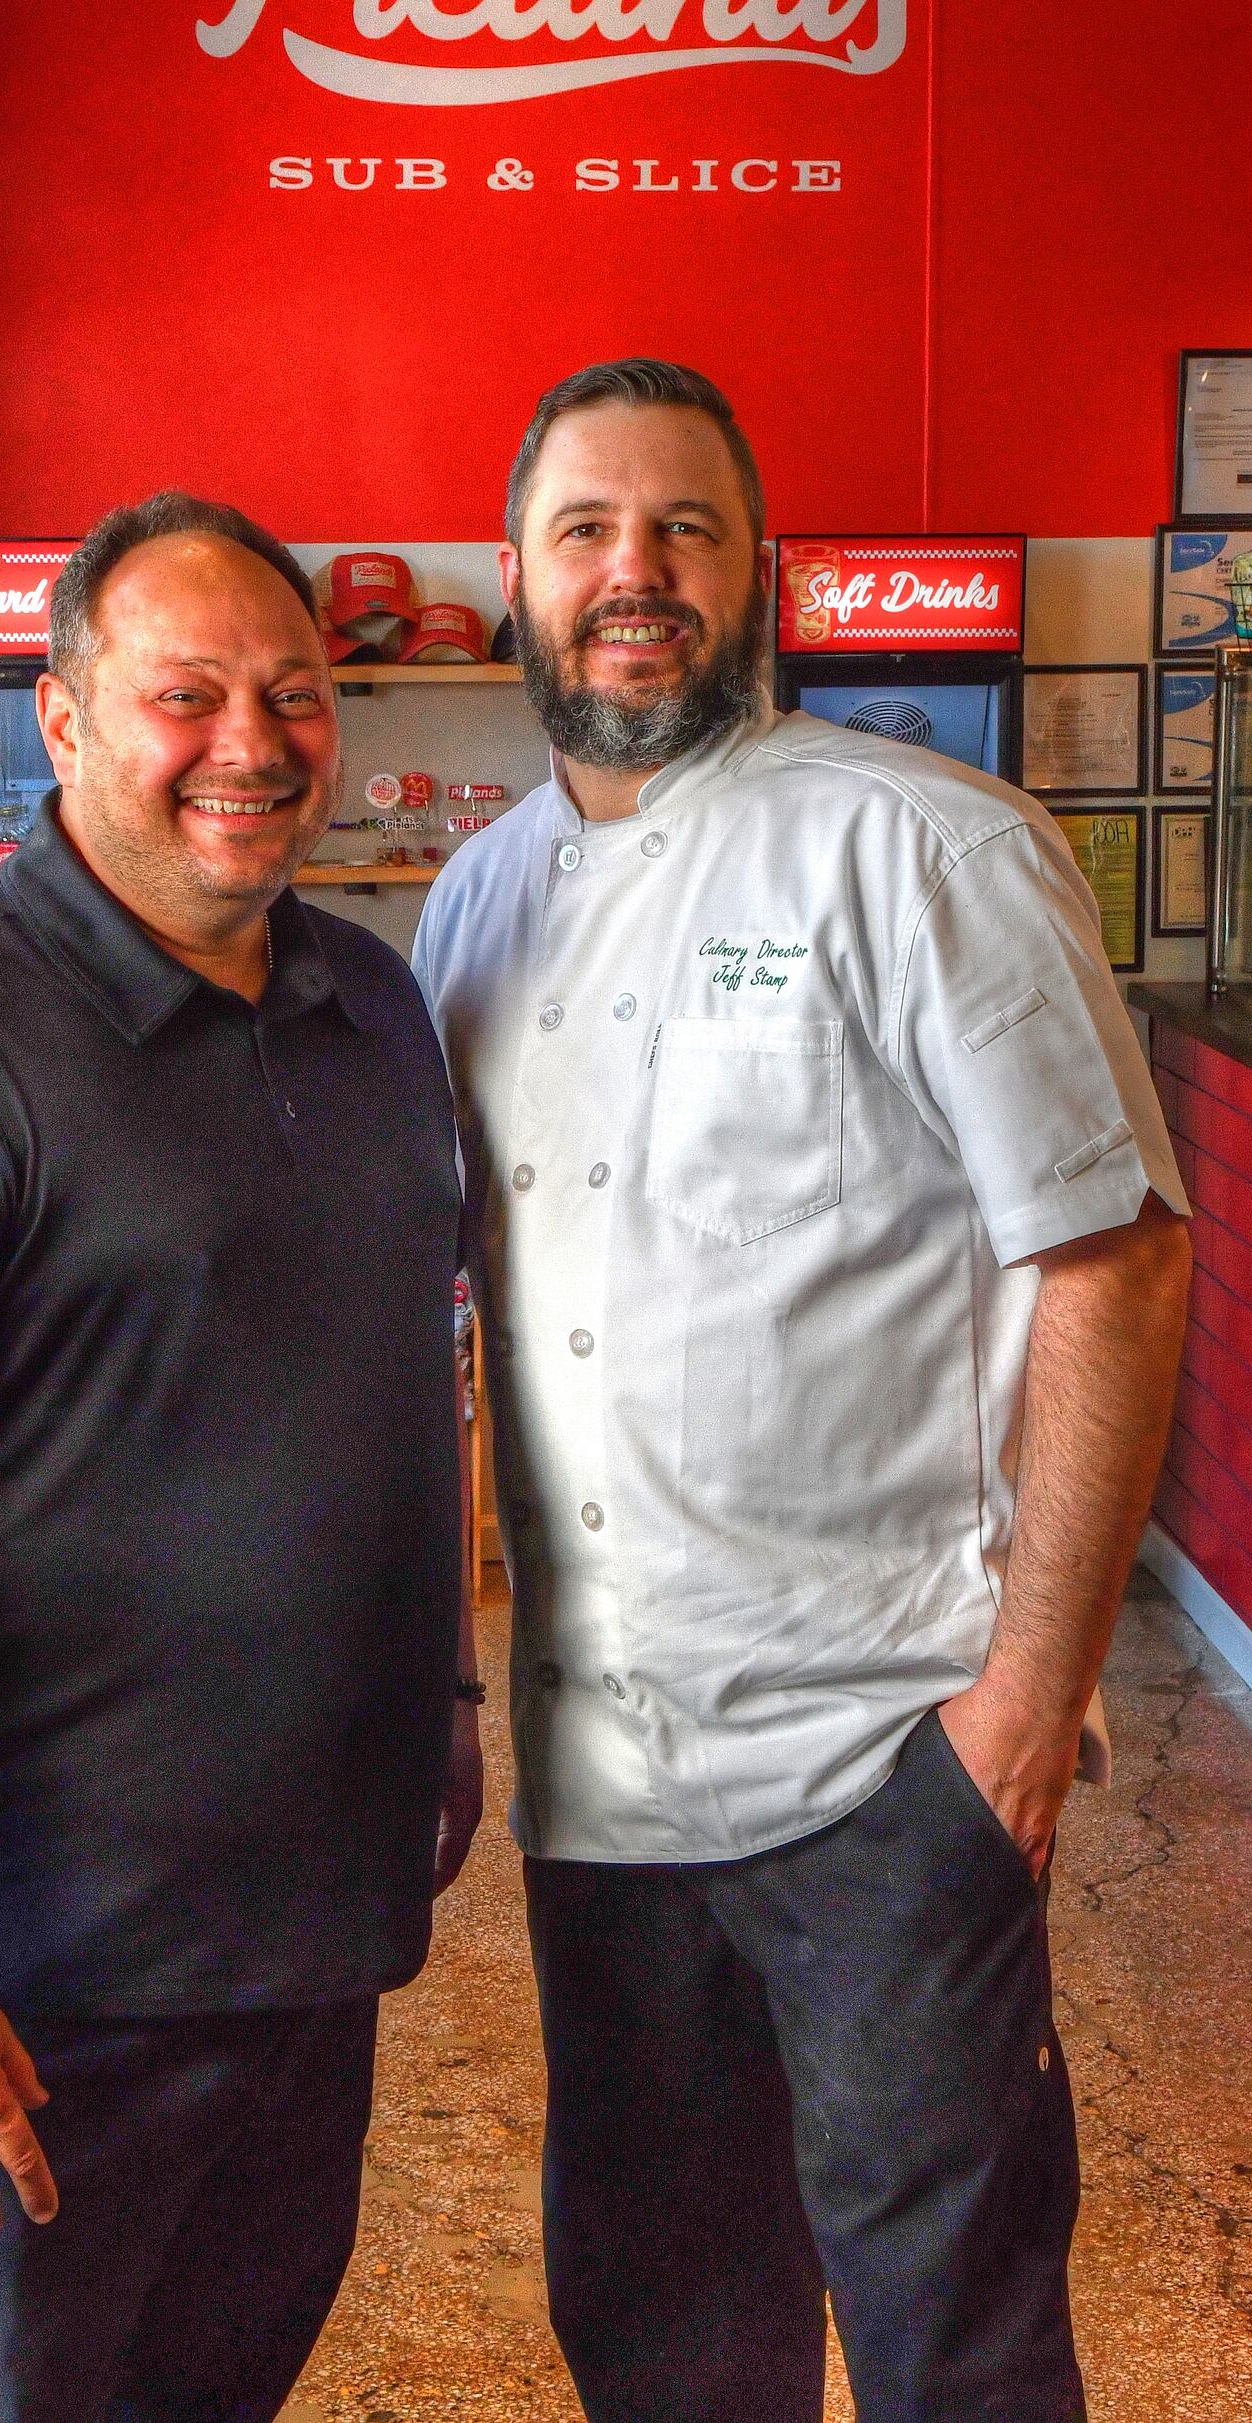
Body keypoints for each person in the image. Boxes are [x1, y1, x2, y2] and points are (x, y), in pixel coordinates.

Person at [412, 360, 1193, 2423]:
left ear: (763, 576)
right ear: (510, 576)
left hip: (884, 1761)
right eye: (584, 531)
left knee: (952, 2341)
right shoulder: (471, 905)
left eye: (683, 530)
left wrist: (1020, 1713)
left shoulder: (923, 847)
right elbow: (465, 1332)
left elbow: (1112, 1261)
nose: (631, 574)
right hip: (603, 1797)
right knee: (662, 2332)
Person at [0, 492, 483, 2423]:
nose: (252, 744)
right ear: (57, 720)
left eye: (295, 694)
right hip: (17, 1983)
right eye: (182, 693)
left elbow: (393, 1386)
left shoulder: (368, 1002)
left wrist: (442, 1690)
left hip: (297, 1946)